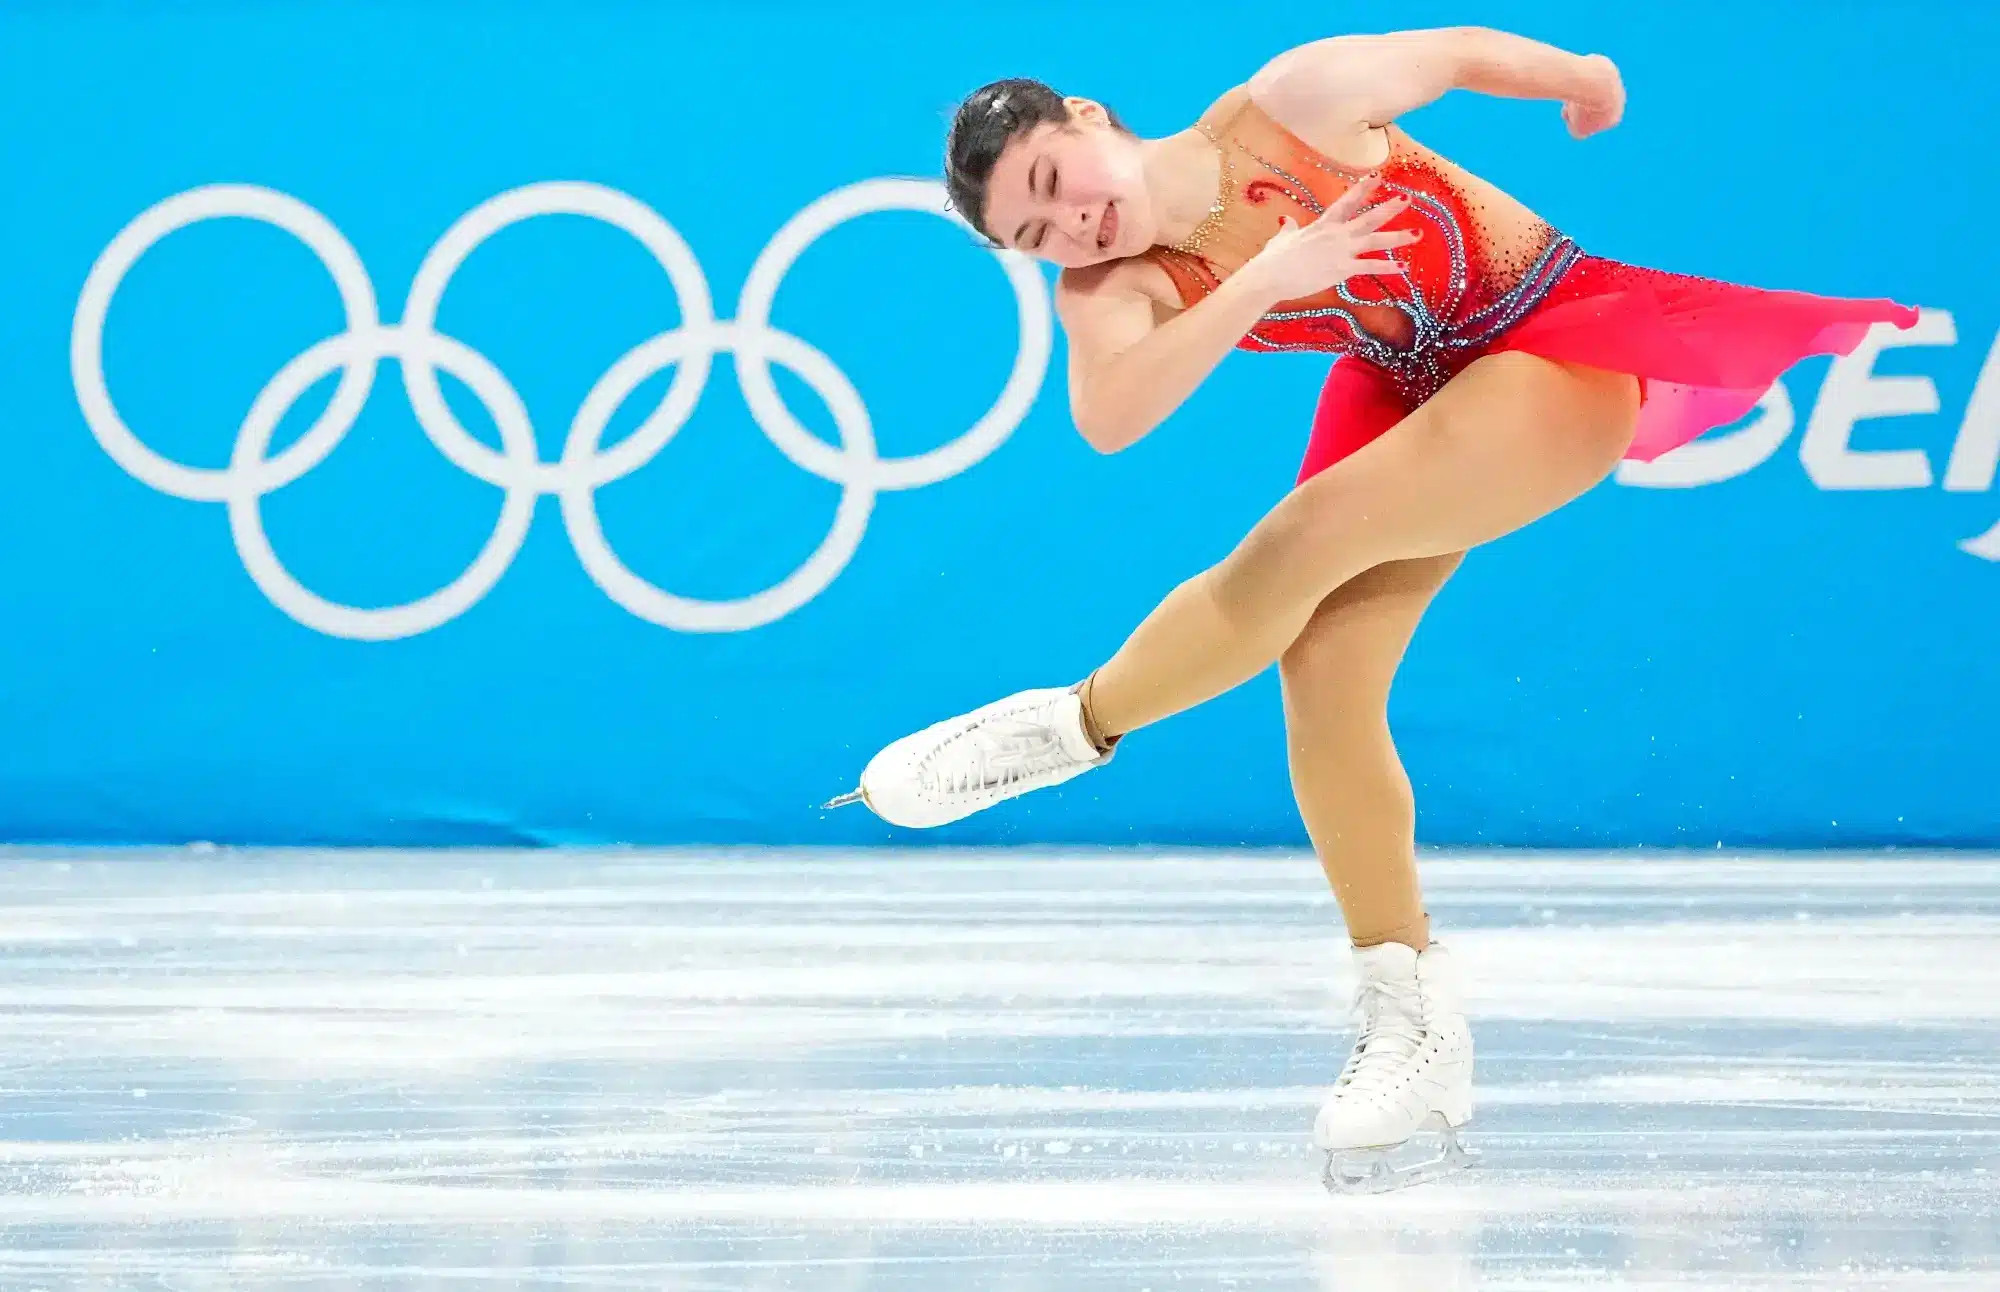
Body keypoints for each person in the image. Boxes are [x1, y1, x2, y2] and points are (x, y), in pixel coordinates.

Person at [825, 27, 1919, 1192]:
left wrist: (1584, 80)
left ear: (1089, 117)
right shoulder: (1112, 286)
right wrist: (1258, 283)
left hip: (1549, 345)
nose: (1069, 229)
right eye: (1030, 236)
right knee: (1323, 672)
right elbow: (1111, 417)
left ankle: (1071, 725)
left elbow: (1452, 52)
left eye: (1053, 185)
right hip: (1409, 389)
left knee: (1295, 543)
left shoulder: (1292, 102)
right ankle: (1410, 1014)